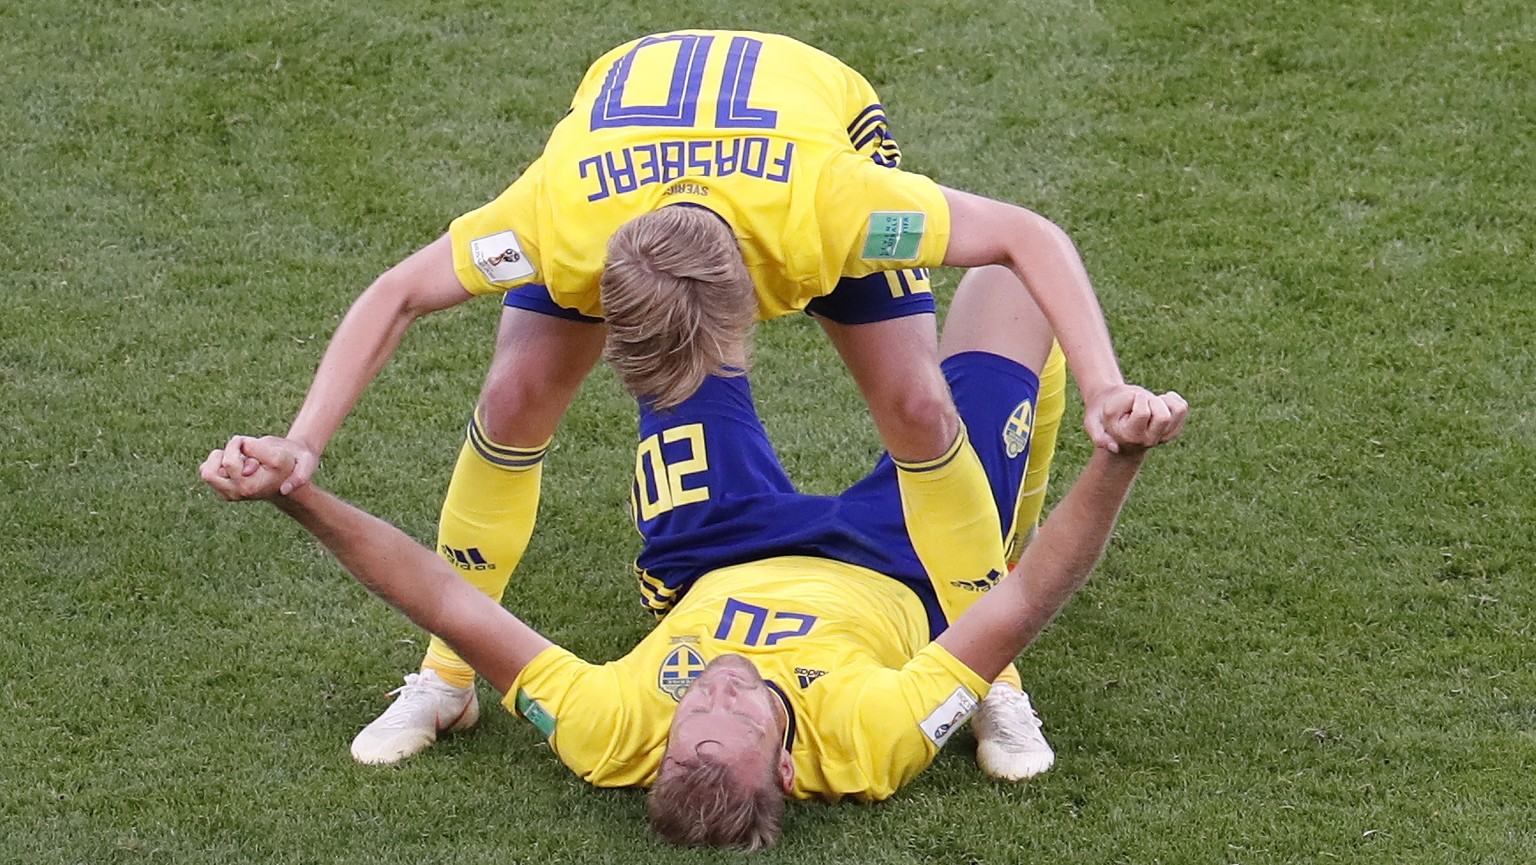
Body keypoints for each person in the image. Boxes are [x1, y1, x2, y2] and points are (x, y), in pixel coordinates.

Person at [211, 29, 1168, 765]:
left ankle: (995, 677)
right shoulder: (558, 222)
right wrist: (305, 442)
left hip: (801, 125)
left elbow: (1027, 238)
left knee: (920, 405)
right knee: (511, 396)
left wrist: (1105, 385)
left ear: (759, 302)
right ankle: (443, 678)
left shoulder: (833, 214)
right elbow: (399, 295)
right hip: (625, 164)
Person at [202, 267, 1188, 849]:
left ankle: (438, 692)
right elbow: (1023, 606)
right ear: (792, 768)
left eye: (686, 730)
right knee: (1010, 284)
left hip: (716, 544)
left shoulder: (609, 731)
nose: (709, 697)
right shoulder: (869, 740)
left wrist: (301, 496)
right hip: (904, 562)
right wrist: (1121, 459)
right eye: (733, 725)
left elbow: (445, 599)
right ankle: (994, 675)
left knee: (659, 299)